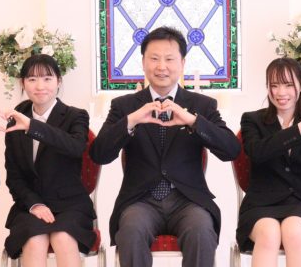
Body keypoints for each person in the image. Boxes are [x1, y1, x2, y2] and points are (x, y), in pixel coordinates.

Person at [90, 26, 241, 267]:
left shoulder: (201, 105)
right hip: (140, 201)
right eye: (154, 58)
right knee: (130, 231)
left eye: (169, 59)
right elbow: (99, 154)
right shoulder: (124, 106)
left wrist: (192, 121)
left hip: (188, 201)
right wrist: (131, 121)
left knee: (202, 231)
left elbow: (231, 150)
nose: (162, 66)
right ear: (143, 62)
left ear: (182, 63)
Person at [236, 58, 301, 267]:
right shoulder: (252, 120)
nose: (280, 92)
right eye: (274, 85)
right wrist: (297, 132)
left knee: (293, 231)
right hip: (261, 205)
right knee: (269, 233)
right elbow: (257, 152)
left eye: (288, 85)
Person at [3, 54, 96, 267]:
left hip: (70, 204)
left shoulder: (75, 116)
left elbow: (76, 147)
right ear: (23, 83)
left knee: (63, 238)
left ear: (59, 81)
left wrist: (32, 127)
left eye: (47, 78)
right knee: (35, 241)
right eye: (32, 79)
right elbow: (14, 177)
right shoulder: (15, 119)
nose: (40, 86)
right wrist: (34, 204)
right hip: (30, 205)